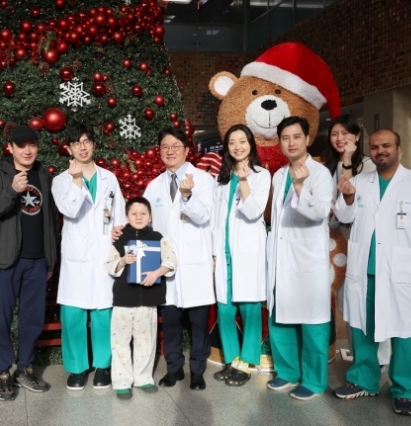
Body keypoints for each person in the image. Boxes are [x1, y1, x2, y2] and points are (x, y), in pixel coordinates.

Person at [332, 129, 411, 416]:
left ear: (399, 149)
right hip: (363, 272)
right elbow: (343, 218)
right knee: (361, 329)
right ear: (369, 151)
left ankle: (405, 390)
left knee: (406, 334)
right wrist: (346, 198)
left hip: (403, 274)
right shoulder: (358, 182)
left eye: (386, 145)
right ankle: (364, 380)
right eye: (374, 147)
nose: (380, 150)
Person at [0, 125, 59, 401]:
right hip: (5, 260)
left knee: (31, 320)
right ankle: (2, 372)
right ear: (10, 147)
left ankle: (25, 367)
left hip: (37, 262)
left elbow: (50, 220)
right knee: (1, 319)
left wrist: (50, 260)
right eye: (21, 145)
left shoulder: (44, 175)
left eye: (32, 144)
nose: (27, 150)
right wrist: (11, 191)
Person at [51, 123, 125, 391]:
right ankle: (77, 369)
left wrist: (119, 229)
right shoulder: (61, 180)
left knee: (103, 312)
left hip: (104, 252)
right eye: (76, 143)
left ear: (94, 144)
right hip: (77, 256)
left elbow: (118, 212)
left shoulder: (109, 178)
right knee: (73, 314)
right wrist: (77, 181)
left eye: (87, 141)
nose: (82, 146)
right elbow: (69, 209)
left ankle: (103, 366)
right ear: (69, 149)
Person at [142, 126, 215, 390]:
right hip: (166, 266)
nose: (170, 151)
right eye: (165, 147)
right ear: (159, 152)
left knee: (197, 321)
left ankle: (197, 370)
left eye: (176, 146)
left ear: (186, 150)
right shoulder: (154, 186)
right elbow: (147, 228)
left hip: (195, 263)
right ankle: (174, 369)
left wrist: (187, 197)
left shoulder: (204, 180)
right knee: (170, 321)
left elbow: (206, 217)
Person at [266, 116, 332, 400]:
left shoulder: (319, 174)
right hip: (281, 259)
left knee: (313, 323)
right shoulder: (279, 175)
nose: (291, 142)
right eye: (285, 138)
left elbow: (319, 213)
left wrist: (302, 187)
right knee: (280, 318)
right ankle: (287, 372)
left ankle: (315, 381)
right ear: (279, 142)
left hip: (307, 261)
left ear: (307, 139)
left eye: (296, 136)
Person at [323, 115, 390, 365]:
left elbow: (354, 198)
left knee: (371, 300)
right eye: (334, 134)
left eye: (346, 133)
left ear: (357, 136)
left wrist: (348, 161)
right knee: (346, 302)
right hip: (337, 242)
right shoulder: (327, 166)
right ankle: (359, 355)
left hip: (364, 239)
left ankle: (381, 357)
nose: (340, 138)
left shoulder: (370, 165)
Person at [211, 124, 270, 386]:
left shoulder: (261, 175)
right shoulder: (221, 179)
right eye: (232, 142)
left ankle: (247, 362)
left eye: (242, 141)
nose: (237, 146)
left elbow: (253, 212)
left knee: (249, 308)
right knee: (225, 309)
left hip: (247, 252)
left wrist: (244, 181)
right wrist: (213, 252)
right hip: (223, 252)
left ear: (251, 144)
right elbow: (214, 217)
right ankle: (232, 359)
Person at [106, 197, 177, 400]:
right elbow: (110, 265)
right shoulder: (119, 240)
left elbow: (171, 260)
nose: (139, 217)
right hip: (123, 301)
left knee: (145, 341)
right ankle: (122, 381)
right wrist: (122, 261)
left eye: (143, 213)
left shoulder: (157, 237)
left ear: (150, 216)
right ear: (127, 216)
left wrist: (157, 273)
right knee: (120, 341)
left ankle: (144, 378)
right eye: (134, 214)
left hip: (148, 301)